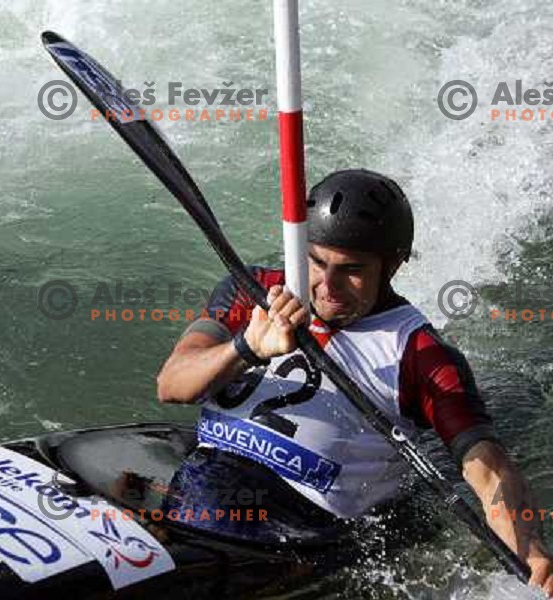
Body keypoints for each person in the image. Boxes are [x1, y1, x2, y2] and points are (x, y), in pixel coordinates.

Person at [157, 169, 553, 595]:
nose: (328, 287)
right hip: (202, 490)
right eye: (316, 262)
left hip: (292, 531)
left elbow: (490, 470)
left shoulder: (419, 354)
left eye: (351, 270)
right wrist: (246, 347)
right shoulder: (252, 291)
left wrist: (531, 553)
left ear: (394, 265)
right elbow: (172, 384)